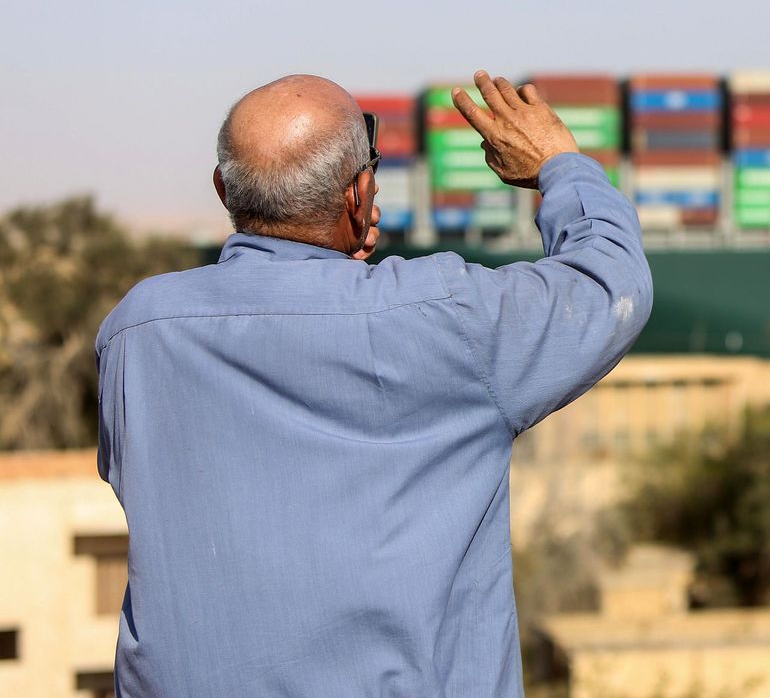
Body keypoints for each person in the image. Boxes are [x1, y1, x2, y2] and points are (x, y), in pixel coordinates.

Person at [95, 70, 652, 697]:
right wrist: (560, 165)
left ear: (223, 189)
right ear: (360, 197)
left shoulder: (137, 333)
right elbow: (610, 288)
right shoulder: (445, 317)